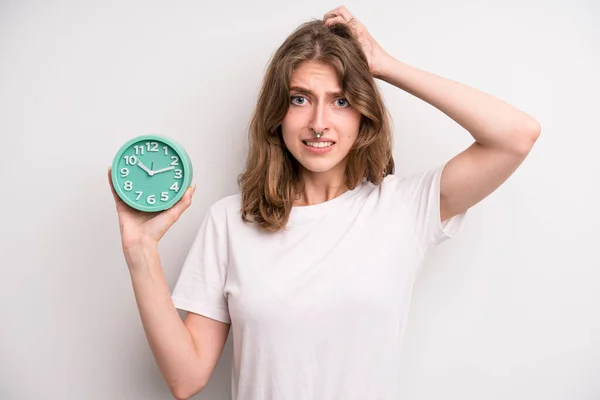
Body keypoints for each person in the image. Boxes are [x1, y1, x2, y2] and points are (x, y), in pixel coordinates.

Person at [109, 6, 540, 400]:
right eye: (300, 99)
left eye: (341, 100)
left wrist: (385, 66)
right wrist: (140, 251)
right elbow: (186, 379)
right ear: (277, 114)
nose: (319, 124)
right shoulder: (230, 220)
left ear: (363, 114)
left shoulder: (403, 208)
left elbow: (515, 136)